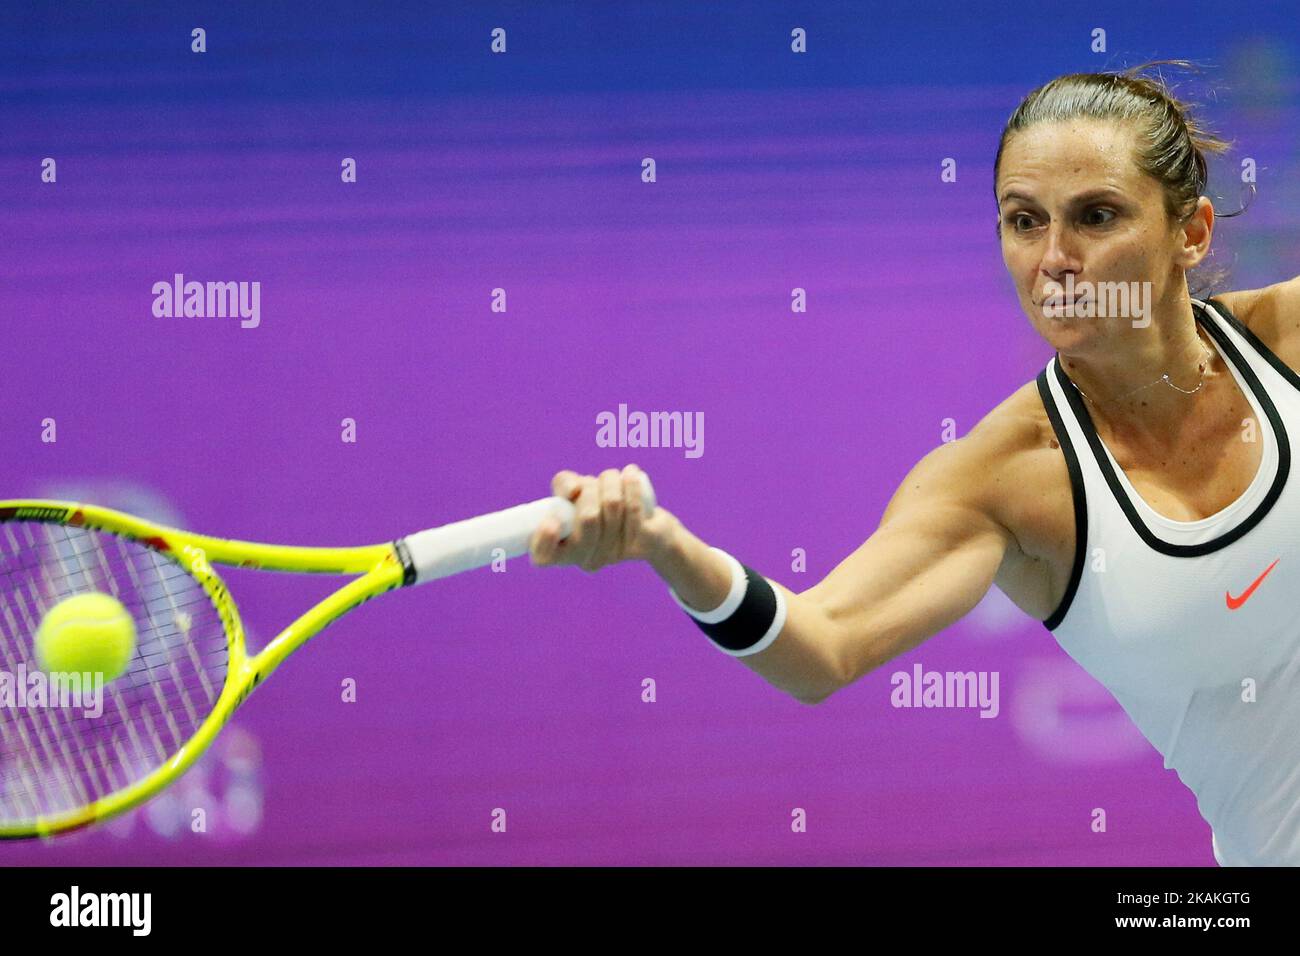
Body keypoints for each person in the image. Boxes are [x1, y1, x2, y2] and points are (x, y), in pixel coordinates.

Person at [528, 60, 1300, 866]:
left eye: (1097, 216)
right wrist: (664, 546)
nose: (1055, 260)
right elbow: (820, 648)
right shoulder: (1003, 479)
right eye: (1023, 221)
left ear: (1194, 231)